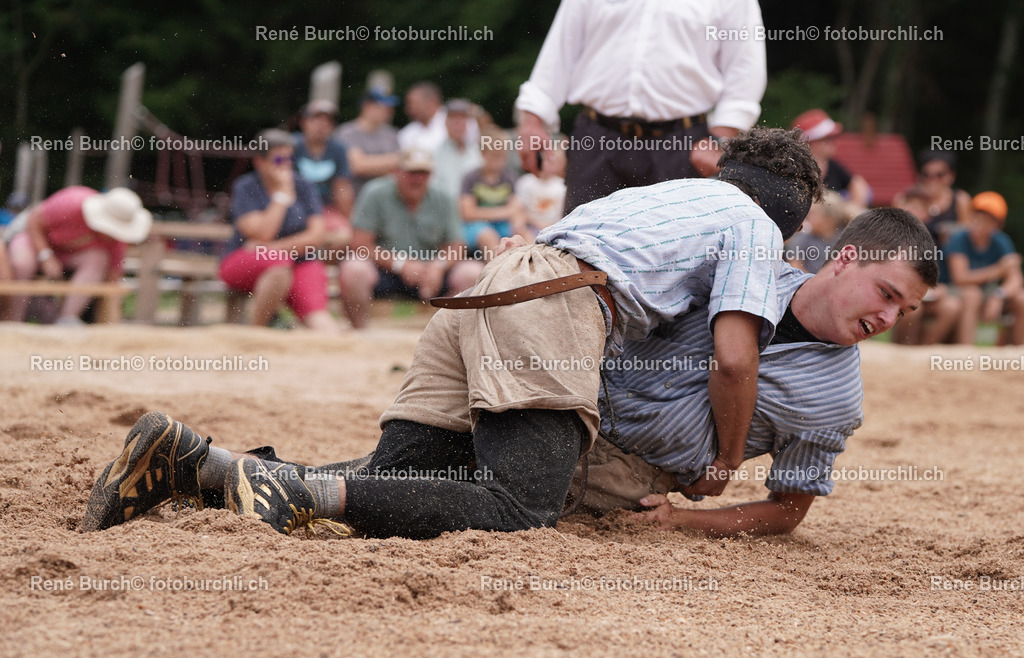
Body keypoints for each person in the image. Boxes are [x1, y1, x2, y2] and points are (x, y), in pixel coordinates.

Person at [80, 127, 823, 539]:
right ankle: (282, 485)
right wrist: (726, 460)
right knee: (517, 505)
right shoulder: (755, 225)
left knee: (395, 475)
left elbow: (543, 249)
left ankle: (197, 466)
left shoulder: (663, 196)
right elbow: (733, 357)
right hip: (555, 302)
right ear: (792, 214)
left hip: (496, 285)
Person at [579, 208, 937, 536]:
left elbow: (787, 510)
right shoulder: (750, 268)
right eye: (887, 295)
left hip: (625, 471)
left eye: (903, 311)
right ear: (846, 259)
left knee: (529, 482)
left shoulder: (837, 399)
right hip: (574, 395)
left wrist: (682, 520)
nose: (889, 319)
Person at [515, 0, 767, 215]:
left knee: (675, 257)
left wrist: (721, 137)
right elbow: (560, 51)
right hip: (596, 141)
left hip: (683, 146)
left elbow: (746, 68)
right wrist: (533, 119)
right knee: (577, 254)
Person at [336, 148, 484, 329]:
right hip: (386, 271)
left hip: (432, 271)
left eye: (423, 172)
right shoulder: (375, 193)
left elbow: (457, 245)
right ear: (397, 172)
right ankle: (361, 334)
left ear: (431, 175)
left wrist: (437, 267)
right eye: (411, 172)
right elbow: (359, 243)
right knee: (354, 269)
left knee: (472, 272)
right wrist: (400, 264)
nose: (417, 178)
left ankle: (441, 332)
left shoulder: (444, 197)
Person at [218, 129, 338, 334]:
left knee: (322, 322)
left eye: (289, 158)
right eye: (279, 159)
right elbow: (262, 233)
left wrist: (273, 248)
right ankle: (257, 333)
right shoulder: (246, 187)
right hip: (245, 262)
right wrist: (281, 197)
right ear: (260, 162)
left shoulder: (304, 186)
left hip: (298, 261)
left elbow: (317, 237)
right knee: (278, 267)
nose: (286, 165)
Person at [4, 186, 151, 324]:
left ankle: (67, 320)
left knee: (98, 259)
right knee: (22, 264)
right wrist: (45, 255)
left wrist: (114, 305)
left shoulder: (116, 240)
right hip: (33, 238)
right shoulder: (72, 202)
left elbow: (113, 276)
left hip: (67, 256)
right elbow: (34, 221)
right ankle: (12, 321)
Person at [947, 191, 1024, 345]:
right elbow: (960, 278)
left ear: (997, 226)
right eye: (976, 218)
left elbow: (1016, 278)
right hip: (956, 290)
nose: (978, 225)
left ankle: (1018, 352)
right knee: (972, 295)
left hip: (989, 291)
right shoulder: (959, 239)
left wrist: (999, 295)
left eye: (986, 221)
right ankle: (965, 352)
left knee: (1021, 298)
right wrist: (997, 270)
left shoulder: (1001, 241)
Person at [890, 187, 962, 345]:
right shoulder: (890, 237)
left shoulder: (932, 242)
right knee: (913, 311)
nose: (914, 210)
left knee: (951, 306)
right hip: (899, 294)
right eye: (911, 205)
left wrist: (938, 288)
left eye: (920, 207)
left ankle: (925, 350)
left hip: (923, 295)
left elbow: (937, 276)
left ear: (927, 215)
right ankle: (900, 350)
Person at [292, 100, 354, 249]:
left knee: (345, 235)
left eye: (327, 120)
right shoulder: (290, 145)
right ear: (304, 122)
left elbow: (342, 188)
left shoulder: (339, 150)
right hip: (294, 208)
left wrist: (349, 220)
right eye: (316, 119)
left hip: (325, 209)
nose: (322, 124)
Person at [460, 128, 529, 258]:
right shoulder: (471, 178)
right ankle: (495, 271)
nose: (499, 160)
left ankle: (531, 265)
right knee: (489, 237)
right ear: (483, 154)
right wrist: (504, 212)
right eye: (494, 156)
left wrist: (518, 225)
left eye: (503, 156)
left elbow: (516, 209)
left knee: (522, 233)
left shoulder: (509, 177)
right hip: (475, 227)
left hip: (502, 224)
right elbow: (467, 213)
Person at [790, 109, 871, 208]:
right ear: (811, 143)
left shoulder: (832, 165)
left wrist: (852, 213)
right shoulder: (796, 169)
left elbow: (858, 185)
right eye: (828, 139)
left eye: (834, 137)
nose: (834, 142)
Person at [334, 88, 402, 200]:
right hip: (357, 199)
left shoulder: (392, 134)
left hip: (387, 200)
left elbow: (400, 169)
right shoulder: (346, 132)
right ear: (367, 106)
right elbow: (357, 166)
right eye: (384, 107)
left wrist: (369, 162)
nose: (389, 112)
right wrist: (392, 161)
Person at [785, 190, 858, 274]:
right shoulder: (804, 237)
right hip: (808, 282)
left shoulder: (846, 239)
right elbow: (795, 265)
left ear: (829, 220)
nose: (807, 218)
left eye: (812, 214)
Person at [429, 99, 483, 202]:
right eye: (453, 118)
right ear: (445, 123)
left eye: (462, 118)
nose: (458, 123)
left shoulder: (476, 153)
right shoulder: (434, 154)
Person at [514, 138, 566, 233]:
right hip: (530, 227)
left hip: (552, 228)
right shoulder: (526, 182)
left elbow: (562, 215)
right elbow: (519, 210)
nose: (548, 164)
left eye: (553, 161)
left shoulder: (562, 186)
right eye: (545, 160)